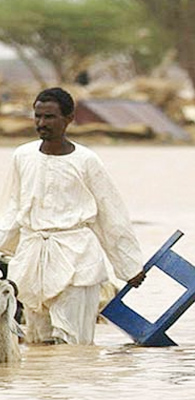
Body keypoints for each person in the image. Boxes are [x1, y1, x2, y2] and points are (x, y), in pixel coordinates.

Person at [0, 87, 146, 345]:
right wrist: (4, 247)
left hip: (77, 258)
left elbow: (110, 214)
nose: (42, 123)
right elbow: (13, 208)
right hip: (33, 258)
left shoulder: (86, 161)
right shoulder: (23, 156)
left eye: (50, 117)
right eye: (38, 116)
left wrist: (128, 265)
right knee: (37, 341)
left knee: (72, 342)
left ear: (68, 119)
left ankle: (76, 384)